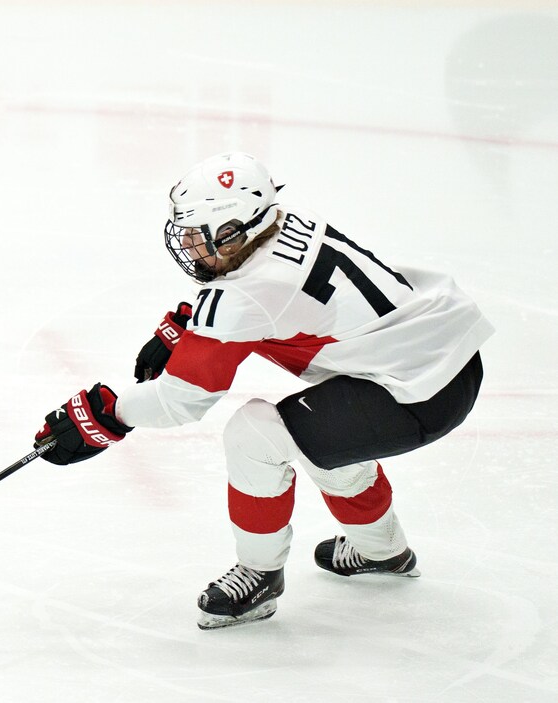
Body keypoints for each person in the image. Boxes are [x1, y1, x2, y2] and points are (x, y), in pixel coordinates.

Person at [34, 152, 493, 629]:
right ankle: (382, 552)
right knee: (321, 433)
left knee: (255, 435)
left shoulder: (244, 297)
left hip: (414, 394)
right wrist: (194, 326)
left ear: (234, 232)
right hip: (441, 363)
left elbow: (180, 401)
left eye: (199, 235)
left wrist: (106, 414)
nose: (188, 244)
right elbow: (284, 301)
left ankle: (260, 576)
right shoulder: (280, 224)